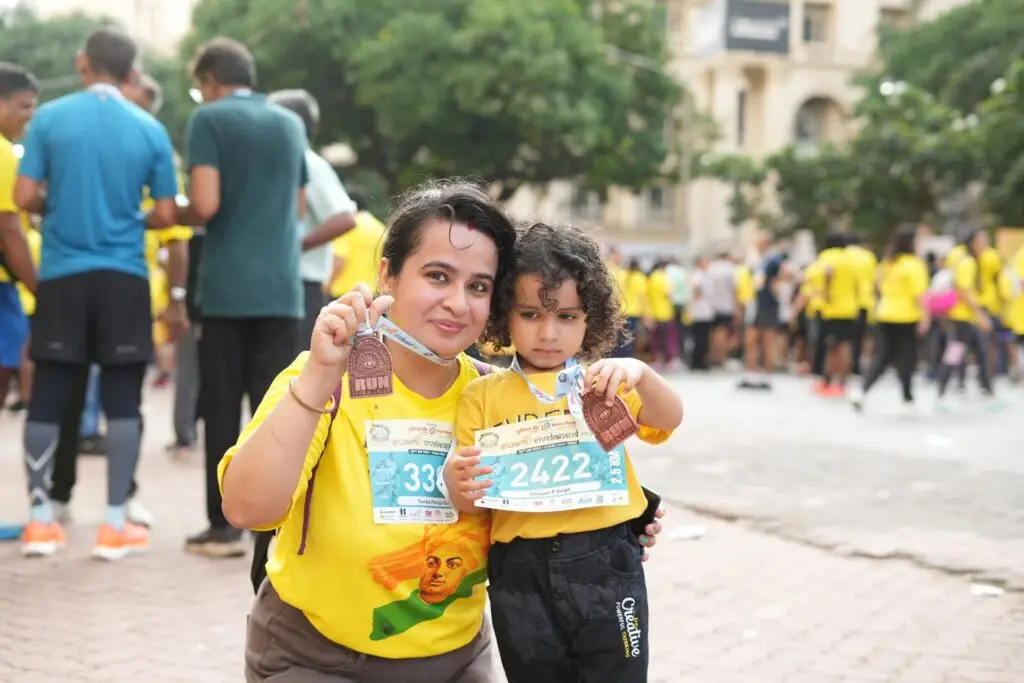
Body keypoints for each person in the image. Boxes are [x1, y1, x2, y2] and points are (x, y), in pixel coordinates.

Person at [216, 180, 665, 681]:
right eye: (437, 275)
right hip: (316, 659)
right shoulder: (325, 377)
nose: (457, 302)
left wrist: (608, 529)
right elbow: (246, 509)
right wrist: (321, 375)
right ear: (389, 273)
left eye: (478, 286)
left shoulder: (500, 399)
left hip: (455, 663)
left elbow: (555, 500)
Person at [443, 221, 683, 683]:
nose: (549, 333)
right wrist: (456, 485)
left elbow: (669, 419)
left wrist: (640, 372)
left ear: (591, 316)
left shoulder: (604, 382)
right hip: (519, 572)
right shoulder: (482, 395)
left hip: (608, 565)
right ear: (503, 315)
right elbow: (472, 499)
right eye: (531, 314)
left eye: (568, 316)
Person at [16, 28, 179, 559]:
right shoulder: (150, 128)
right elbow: (167, 212)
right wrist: (129, 214)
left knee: (48, 395)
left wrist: (60, 205)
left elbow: (22, 196)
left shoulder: (49, 119)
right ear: (132, 72)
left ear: (83, 63)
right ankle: (114, 523)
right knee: (122, 400)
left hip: (62, 275)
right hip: (124, 278)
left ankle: (41, 520)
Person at [180, 38, 310, 557]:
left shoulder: (208, 121)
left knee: (221, 406)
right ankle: (274, 526)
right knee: (275, 409)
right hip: (282, 288)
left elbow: (206, 204)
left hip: (228, 288)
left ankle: (222, 525)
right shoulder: (290, 122)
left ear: (210, 80)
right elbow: (298, 210)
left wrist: (176, 213)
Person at [49, 72, 188, 528]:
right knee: (71, 396)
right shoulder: (113, 147)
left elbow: (176, 239)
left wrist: (176, 299)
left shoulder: (150, 156)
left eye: (145, 103)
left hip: (132, 296)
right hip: (102, 285)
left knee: (124, 399)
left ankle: (124, 496)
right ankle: (60, 493)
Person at [267, 89, 358, 345]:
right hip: (284, 285)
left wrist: (295, 246)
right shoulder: (287, 161)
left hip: (302, 286)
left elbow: (345, 217)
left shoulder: (308, 162)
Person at [850, 227, 929, 414]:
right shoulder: (914, 264)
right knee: (907, 358)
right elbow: (920, 295)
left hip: (885, 313)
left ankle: (862, 391)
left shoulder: (888, 263)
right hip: (907, 316)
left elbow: (877, 285)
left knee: (883, 356)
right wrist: (925, 317)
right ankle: (907, 399)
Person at [0, 62, 38, 409]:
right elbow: (8, 230)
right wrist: (37, 287)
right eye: (24, 106)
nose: (30, 116)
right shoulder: (4, 153)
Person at [935, 230, 999, 410]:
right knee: (956, 354)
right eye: (982, 241)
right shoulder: (968, 262)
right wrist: (980, 315)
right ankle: (941, 392)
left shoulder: (966, 259)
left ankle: (987, 390)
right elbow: (964, 290)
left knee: (979, 351)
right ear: (972, 242)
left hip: (965, 317)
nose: (985, 245)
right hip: (963, 317)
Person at [809, 234, 859, 396]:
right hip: (850, 308)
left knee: (831, 346)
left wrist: (827, 293)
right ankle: (842, 381)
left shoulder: (828, 257)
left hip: (832, 309)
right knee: (846, 345)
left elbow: (828, 272)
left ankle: (828, 380)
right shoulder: (851, 260)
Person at [738, 233, 781, 390]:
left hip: (767, 305)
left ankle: (766, 376)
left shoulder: (773, 260)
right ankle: (752, 374)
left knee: (766, 341)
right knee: (752, 340)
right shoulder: (759, 261)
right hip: (756, 303)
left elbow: (778, 280)